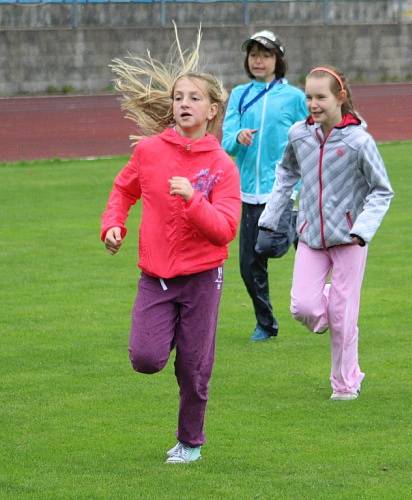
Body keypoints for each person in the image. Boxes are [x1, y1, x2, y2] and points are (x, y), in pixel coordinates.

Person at [101, 42, 241, 463]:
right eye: (179, 97)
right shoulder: (148, 151)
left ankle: (189, 443)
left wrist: (193, 200)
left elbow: (225, 230)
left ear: (212, 110)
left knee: (194, 368)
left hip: (202, 279)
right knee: (146, 359)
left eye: (194, 98)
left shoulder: (222, 165)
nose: (184, 104)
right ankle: (170, 346)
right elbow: (123, 190)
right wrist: (113, 224)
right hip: (156, 277)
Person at [258, 65, 394, 400]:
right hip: (310, 235)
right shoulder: (298, 135)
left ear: (340, 98)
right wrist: (270, 217)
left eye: (321, 97)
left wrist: (362, 228)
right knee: (303, 307)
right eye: (308, 97)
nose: (313, 104)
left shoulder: (359, 141)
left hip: (350, 238)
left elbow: (382, 190)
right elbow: (286, 173)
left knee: (343, 317)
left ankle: (345, 385)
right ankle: (339, 304)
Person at [222, 30, 308, 342]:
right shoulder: (239, 95)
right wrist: (238, 136)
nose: (259, 60)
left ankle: (317, 300)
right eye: (254, 54)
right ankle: (266, 323)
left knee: (274, 247)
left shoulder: (296, 98)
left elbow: (311, 134)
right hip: (248, 191)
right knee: (248, 264)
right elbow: (226, 140)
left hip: (285, 190)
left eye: (266, 54)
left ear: (278, 60)